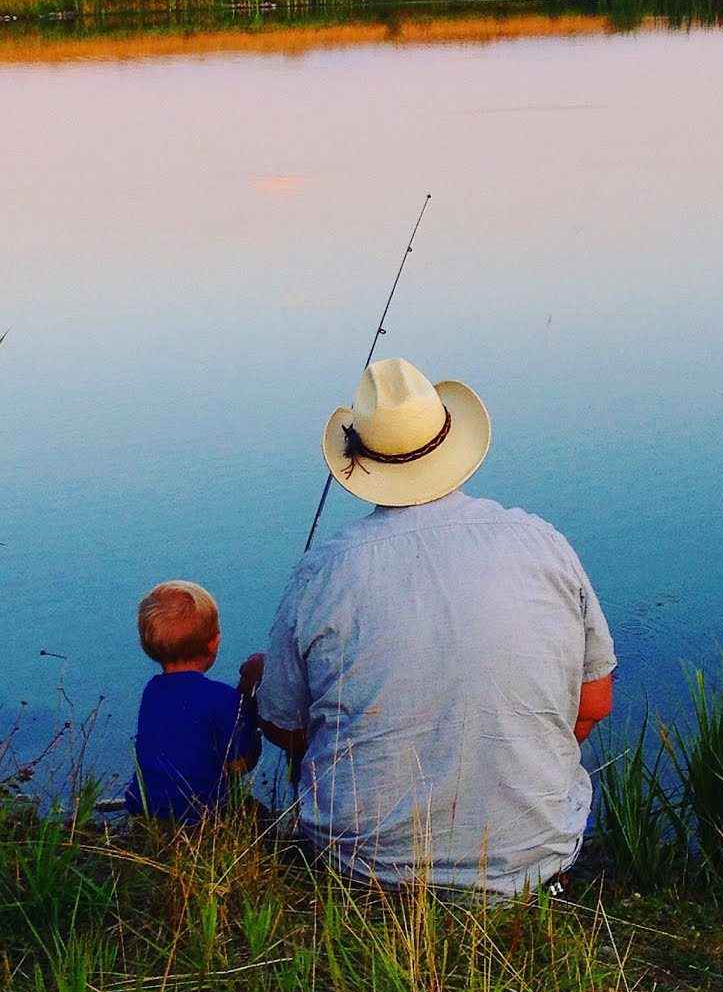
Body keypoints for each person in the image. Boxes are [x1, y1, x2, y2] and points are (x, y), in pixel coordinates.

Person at [252, 357, 615, 896]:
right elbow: (594, 701)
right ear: (451, 446)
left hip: (361, 870)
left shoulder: (322, 572)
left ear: (361, 460)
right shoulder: (542, 544)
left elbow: (284, 726)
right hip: (534, 867)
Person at [124, 580, 260, 823]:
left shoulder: (152, 691)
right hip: (201, 817)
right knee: (260, 819)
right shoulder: (222, 698)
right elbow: (241, 764)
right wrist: (251, 716)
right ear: (214, 643)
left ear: (147, 647)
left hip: (145, 810)